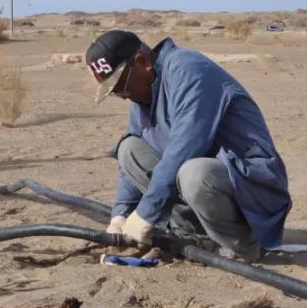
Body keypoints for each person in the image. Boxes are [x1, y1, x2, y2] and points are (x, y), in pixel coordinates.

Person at [85, 30, 291, 262]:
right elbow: (131, 161)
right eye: (114, 92)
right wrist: (120, 215)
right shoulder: (142, 96)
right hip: (208, 190)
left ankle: (243, 246)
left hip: (250, 185)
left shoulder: (187, 69)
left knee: (193, 172)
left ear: (142, 63)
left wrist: (146, 214)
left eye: (121, 85)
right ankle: (196, 236)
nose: (122, 95)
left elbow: (186, 146)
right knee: (129, 149)